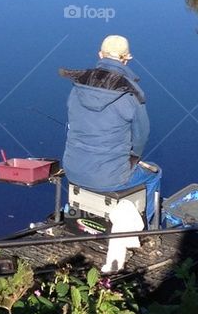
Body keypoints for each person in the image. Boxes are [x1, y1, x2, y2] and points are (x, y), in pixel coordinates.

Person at [59, 34, 162, 225]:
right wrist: (134, 158)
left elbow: (72, 124)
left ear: (100, 54)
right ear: (127, 57)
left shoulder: (77, 87)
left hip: (71, 169)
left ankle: (76, 215)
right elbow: (142, 135)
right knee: (154, 175)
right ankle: (146, 229)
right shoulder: (131, 94)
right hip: (109, 177)